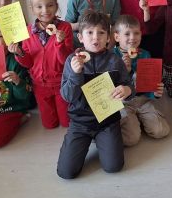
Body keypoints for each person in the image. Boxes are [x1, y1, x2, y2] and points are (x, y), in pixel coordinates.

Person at [57, 11, 134, 179]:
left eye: (101, 32)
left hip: (108, 121)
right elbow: (67, 96)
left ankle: (106, 137)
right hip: (80, 122)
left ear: (108, 38)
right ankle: (86, 139)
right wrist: (76, 74)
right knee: (66, 172)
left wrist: (127, 90)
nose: (95, 38)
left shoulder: (115, 61)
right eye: (90, 32)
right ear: (80, 37)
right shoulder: (72, 60)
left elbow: (129, 85)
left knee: (113, 167)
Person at [8, 0, 73, 129]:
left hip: (61, 83)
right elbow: (28, 63)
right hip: (39, 84)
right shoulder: (27, 31)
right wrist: (19, 52)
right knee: (49, 125)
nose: (45, 10)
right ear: (32, 9)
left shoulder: (65, 28)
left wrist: (59, 43)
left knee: (66, 123)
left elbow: (66, 60)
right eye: (39, 6)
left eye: (50, 5)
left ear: (56, 6)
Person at [112, 15, 169, 146]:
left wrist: (155, 92)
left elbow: (149, 83)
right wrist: (125, 71)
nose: (132, 37)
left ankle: (141, 120)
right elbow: (111, 86)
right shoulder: (112, 56)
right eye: (127, 34)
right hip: (124, 102)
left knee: (161, 131)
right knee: (131, 139)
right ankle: (130, 121)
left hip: (143, 100)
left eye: (136, 33)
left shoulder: (145, 54)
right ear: (117, 37)